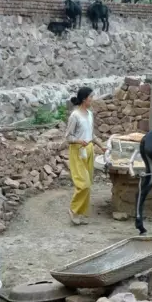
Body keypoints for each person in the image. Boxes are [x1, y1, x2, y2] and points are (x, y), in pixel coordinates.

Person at [64, 87, 105, 225]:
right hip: (78, 150)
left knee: (89, 183)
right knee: (84, 184)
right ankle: (73, 210)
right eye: (91, 97)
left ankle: (80, 213)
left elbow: (91, 135)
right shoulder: (74, 116)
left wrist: (101, 145)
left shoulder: (89, 114)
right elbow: (68, 137)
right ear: (84, 99)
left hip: (89, 149)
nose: (92, 99)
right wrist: (78, 141)